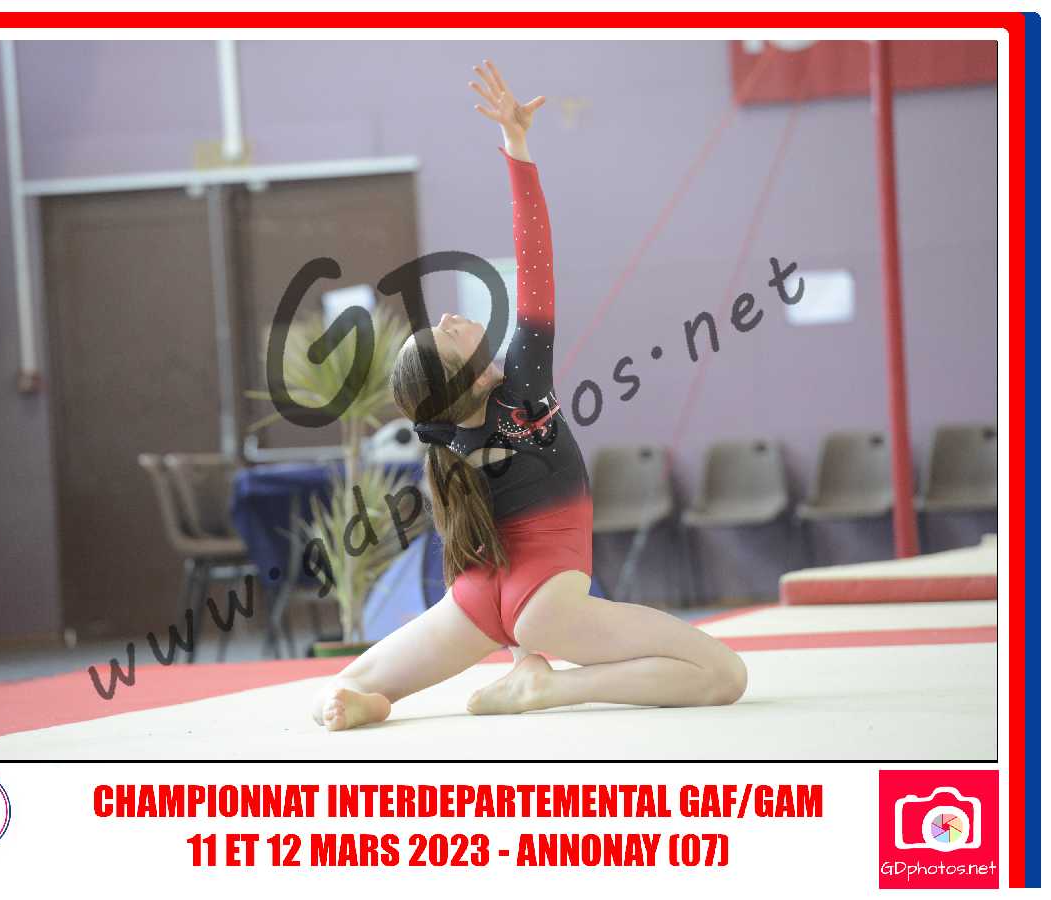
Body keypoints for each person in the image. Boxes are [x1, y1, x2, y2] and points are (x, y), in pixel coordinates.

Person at [312, 59, 746, 732]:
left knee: (346, 685)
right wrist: (517, 145)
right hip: (546, 597)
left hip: (474, 602)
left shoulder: (445, 435)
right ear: (478, 377)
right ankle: (547, 686)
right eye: (447, 334)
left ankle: (375, 701)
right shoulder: (522, 383)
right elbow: (534, 256)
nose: (450, 316)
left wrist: (360, 693)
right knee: (723, 675)